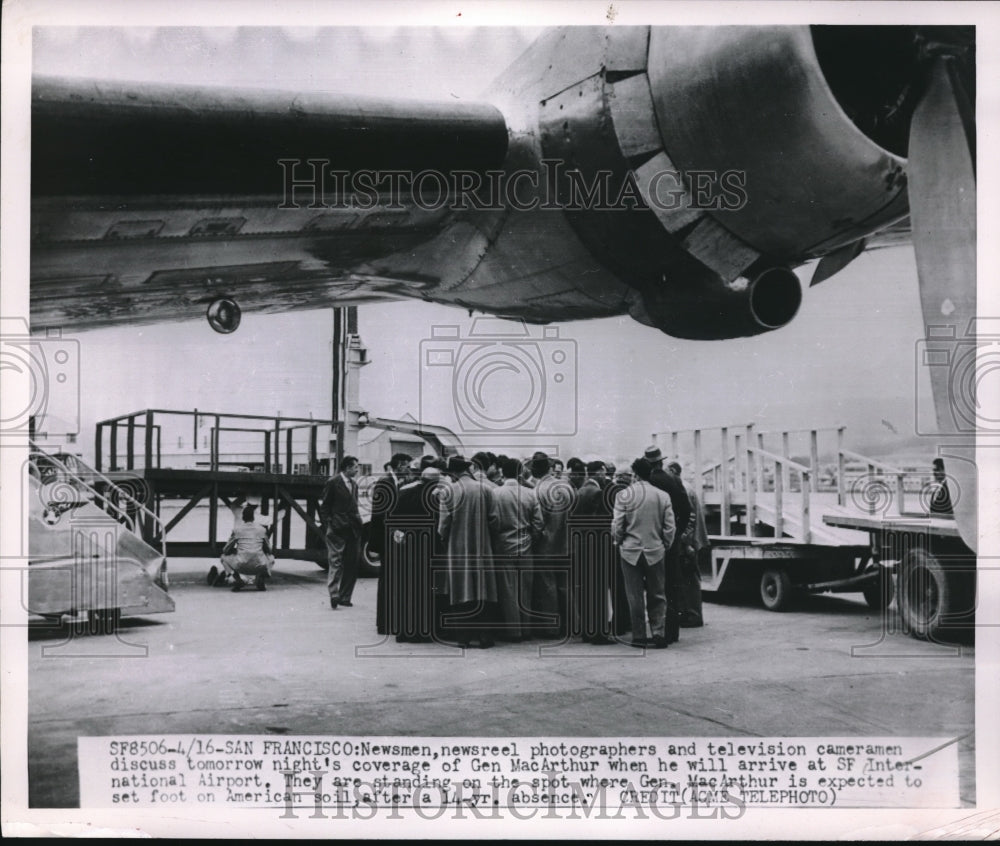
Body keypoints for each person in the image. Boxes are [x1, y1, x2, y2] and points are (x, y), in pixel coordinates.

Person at [438, 455, 502, 648]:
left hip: (457, 548)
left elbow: (444, 525)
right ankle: (485, 637)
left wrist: (445, 540)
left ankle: (463, 638)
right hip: (483, 547)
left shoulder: (449, 491)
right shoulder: (485, 489)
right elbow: (495, 520)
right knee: (483, 591)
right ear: (468, 470)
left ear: (454, 472)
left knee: (460, 591)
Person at [613, 457, 676, 648]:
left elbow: (617, 525)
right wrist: (665, 544)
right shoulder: (662, 496)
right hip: (655, 550)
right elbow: (669, 526)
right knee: (657, 594)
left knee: (634, 596)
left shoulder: (624, 495)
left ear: (635, 474)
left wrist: (619, 541)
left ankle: (639, 635)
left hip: (630, 551)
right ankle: (658, 632)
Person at [387, 466, 445, 642]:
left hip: (407, 546)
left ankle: (403, 631)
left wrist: (399, 533)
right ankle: (423, 631)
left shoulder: (405, 492)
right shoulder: (435, 497)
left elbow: (392, 518)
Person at [492, 456, 544, 641]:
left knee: (508, 590)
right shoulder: (530, 494)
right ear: (520, 473)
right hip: (526, 544)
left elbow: (493, 521)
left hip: (503, 545)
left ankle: (513, 631)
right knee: (526, 589)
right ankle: (527, 628)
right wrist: (533, 538)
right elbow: (539, 522)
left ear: (501, 473)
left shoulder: (496, 494)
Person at [645, 445, 691, 644]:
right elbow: (686, 510)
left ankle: (658, 630)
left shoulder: (648, 482)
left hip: (652, 540)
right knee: (671, 585)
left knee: (654, 586)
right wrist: (677, 533)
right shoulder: (673, 480)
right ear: (661, 461)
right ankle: (673, 631)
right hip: (671, 540)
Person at [570, 460, 616, 644]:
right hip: (595, 548)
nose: (605, 476)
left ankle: (587, 631)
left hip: (581, 547)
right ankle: (599, 633)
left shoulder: (579, 491)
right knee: (598, 590)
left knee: (586, 590)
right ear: (597, 473)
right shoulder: (597, 493)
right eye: (603, 472)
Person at [533, 454, 577, 638]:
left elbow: (539, 520)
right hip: (567, 543)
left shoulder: (539, 489)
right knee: (566, 586)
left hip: (546, 545)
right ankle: (572, 624)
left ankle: (552, 628)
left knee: (548, 588)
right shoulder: (566, 486)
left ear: (534, 470)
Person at [374, 452, 412, 634]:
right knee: (387, 580)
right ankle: (384, 623)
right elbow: (380, 514)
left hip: (394, 538)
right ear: (398, 465)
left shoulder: (400, 483)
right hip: (387, 538)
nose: (409, 469)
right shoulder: (385, 483)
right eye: (406, 466)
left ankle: (391, 620)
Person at [319, 455, 363, 610]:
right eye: (355, 467)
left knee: (352, 563)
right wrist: (329, 525)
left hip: (353, 528)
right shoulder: (333, 482)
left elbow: (354, 506)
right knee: (336, 561)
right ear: (348, 468)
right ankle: (334, 594)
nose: (357, 470)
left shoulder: (354, 485)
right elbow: (324, 507)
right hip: (337, 528)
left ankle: (345, 597)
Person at [669, 460, 707, 628]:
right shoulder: (685, 487)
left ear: (673, 471)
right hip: (691, 540)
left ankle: (693, 615)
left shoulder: (683, 488)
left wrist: (685, 541)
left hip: (688, 542)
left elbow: (690, 519)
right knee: (688, 578)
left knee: (689, 578)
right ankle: (690, 613)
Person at [218, 502, 274, 592]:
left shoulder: (237, 529)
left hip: (241, 565)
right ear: (253, 517)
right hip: (259, 565)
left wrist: (234, 550)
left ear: (243, 517)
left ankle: (238, 580)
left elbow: (225, 549)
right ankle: (261, 578)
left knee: (223, 558)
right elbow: (269, 550)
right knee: (271, 558)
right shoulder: (262, 530)